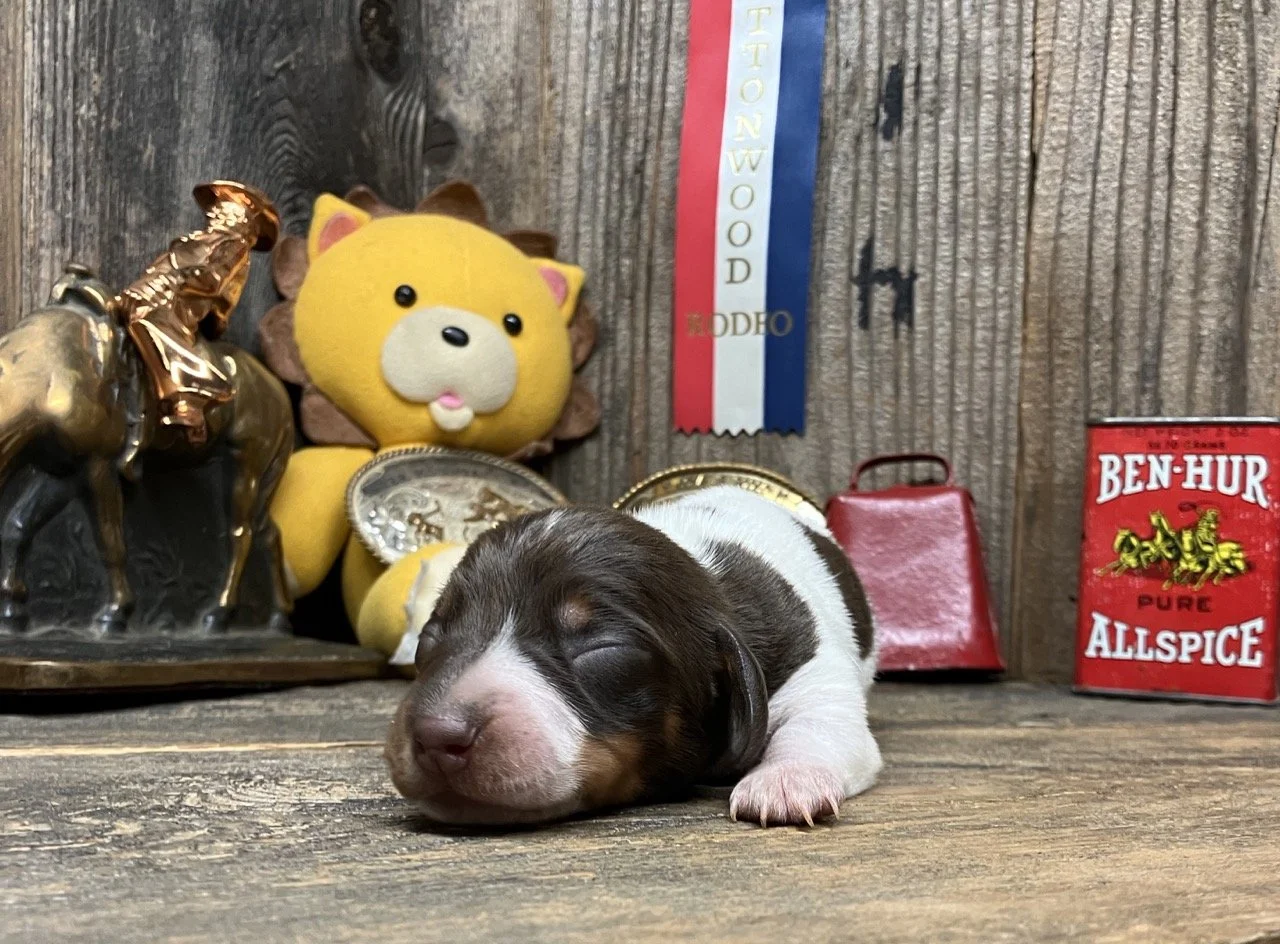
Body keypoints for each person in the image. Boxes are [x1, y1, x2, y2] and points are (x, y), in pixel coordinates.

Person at [116, 181, 279, 474]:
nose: (217, 213)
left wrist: (176, 280)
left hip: (176, 305)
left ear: (241, 220)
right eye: (217, 208)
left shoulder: (231, 247)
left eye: (226, 209)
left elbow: (210, 281)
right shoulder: (206, 240)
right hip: (158, 292)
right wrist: (145, 288)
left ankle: (184, 401)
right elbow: (164, 267)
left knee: (144, 322)